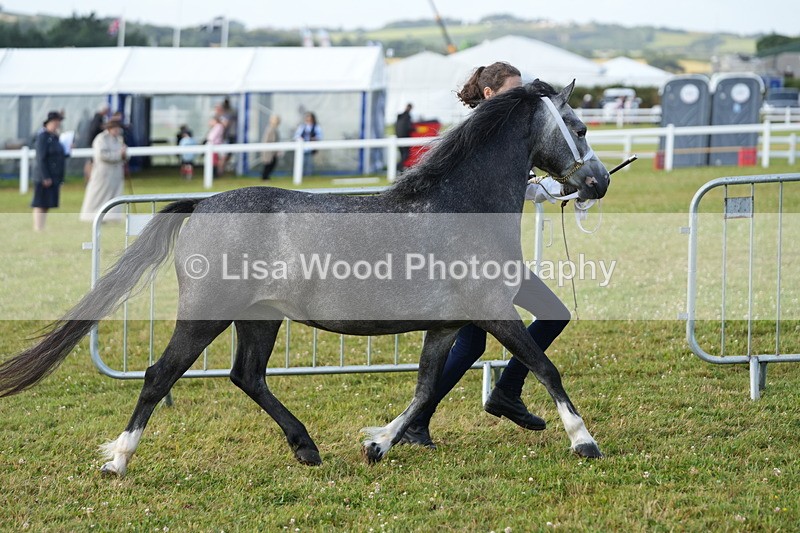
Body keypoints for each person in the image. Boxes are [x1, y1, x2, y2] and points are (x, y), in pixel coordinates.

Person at [399, 62, 572, 449]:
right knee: (551, 314)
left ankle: (428, 418)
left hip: (486, 257)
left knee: (474, 342)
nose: (521, 98)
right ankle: (503, 393)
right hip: (477, 259)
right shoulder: (479, 133)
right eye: (513, 91)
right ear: (491, 94)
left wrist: (547, 188)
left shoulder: (503, 132)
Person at [79, 120, 127, 222]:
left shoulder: (119, 139)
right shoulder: (101, 139)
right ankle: (91, 216)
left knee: (115, 194)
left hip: (116, 173)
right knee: (98, 194)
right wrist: (118, 155)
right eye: (115, 128)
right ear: (109, 129)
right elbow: (102, 155)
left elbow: (125, 153)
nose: (117, 130)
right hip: (103, 173)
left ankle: (112, 217)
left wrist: (124, 155)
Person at [31, 111, 67, 231]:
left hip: (54, 175)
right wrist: (45, 176)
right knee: (40, 202)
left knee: (47, 203)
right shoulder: (43, 137)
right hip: (44, 176)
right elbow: (40, 158)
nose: (57, 125)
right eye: (55, 122)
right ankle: (38, 227)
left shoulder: (55, 137)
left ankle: (42, 226)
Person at [294, 112, 322, 176]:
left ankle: (308, 175)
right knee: (301, 162)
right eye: (307, 117)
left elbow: (320, 136)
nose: (308, 119)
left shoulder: (316, 127)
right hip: (302, 148)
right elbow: (297, 135)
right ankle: (301, 175)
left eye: (309, 117)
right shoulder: (302, 126)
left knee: (309, 162)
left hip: (311, 148)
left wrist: (314, 138)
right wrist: (300, 138)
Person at [260, 114, 282, 181]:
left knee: (271, 164)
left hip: (271, 150)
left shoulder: (273, 128)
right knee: (268, 164)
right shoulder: (271, 129)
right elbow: (270, 140)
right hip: (269, 151)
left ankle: (266, 177)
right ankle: (265, 177)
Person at [395, 103, 413, 171]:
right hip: (404, 138)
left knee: (403, 154)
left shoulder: (400, 116)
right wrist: (415, 129)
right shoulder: (407, 116)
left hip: (398, 137)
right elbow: (408, 128)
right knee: (405, 155)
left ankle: (400, 168)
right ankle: (397, 167)